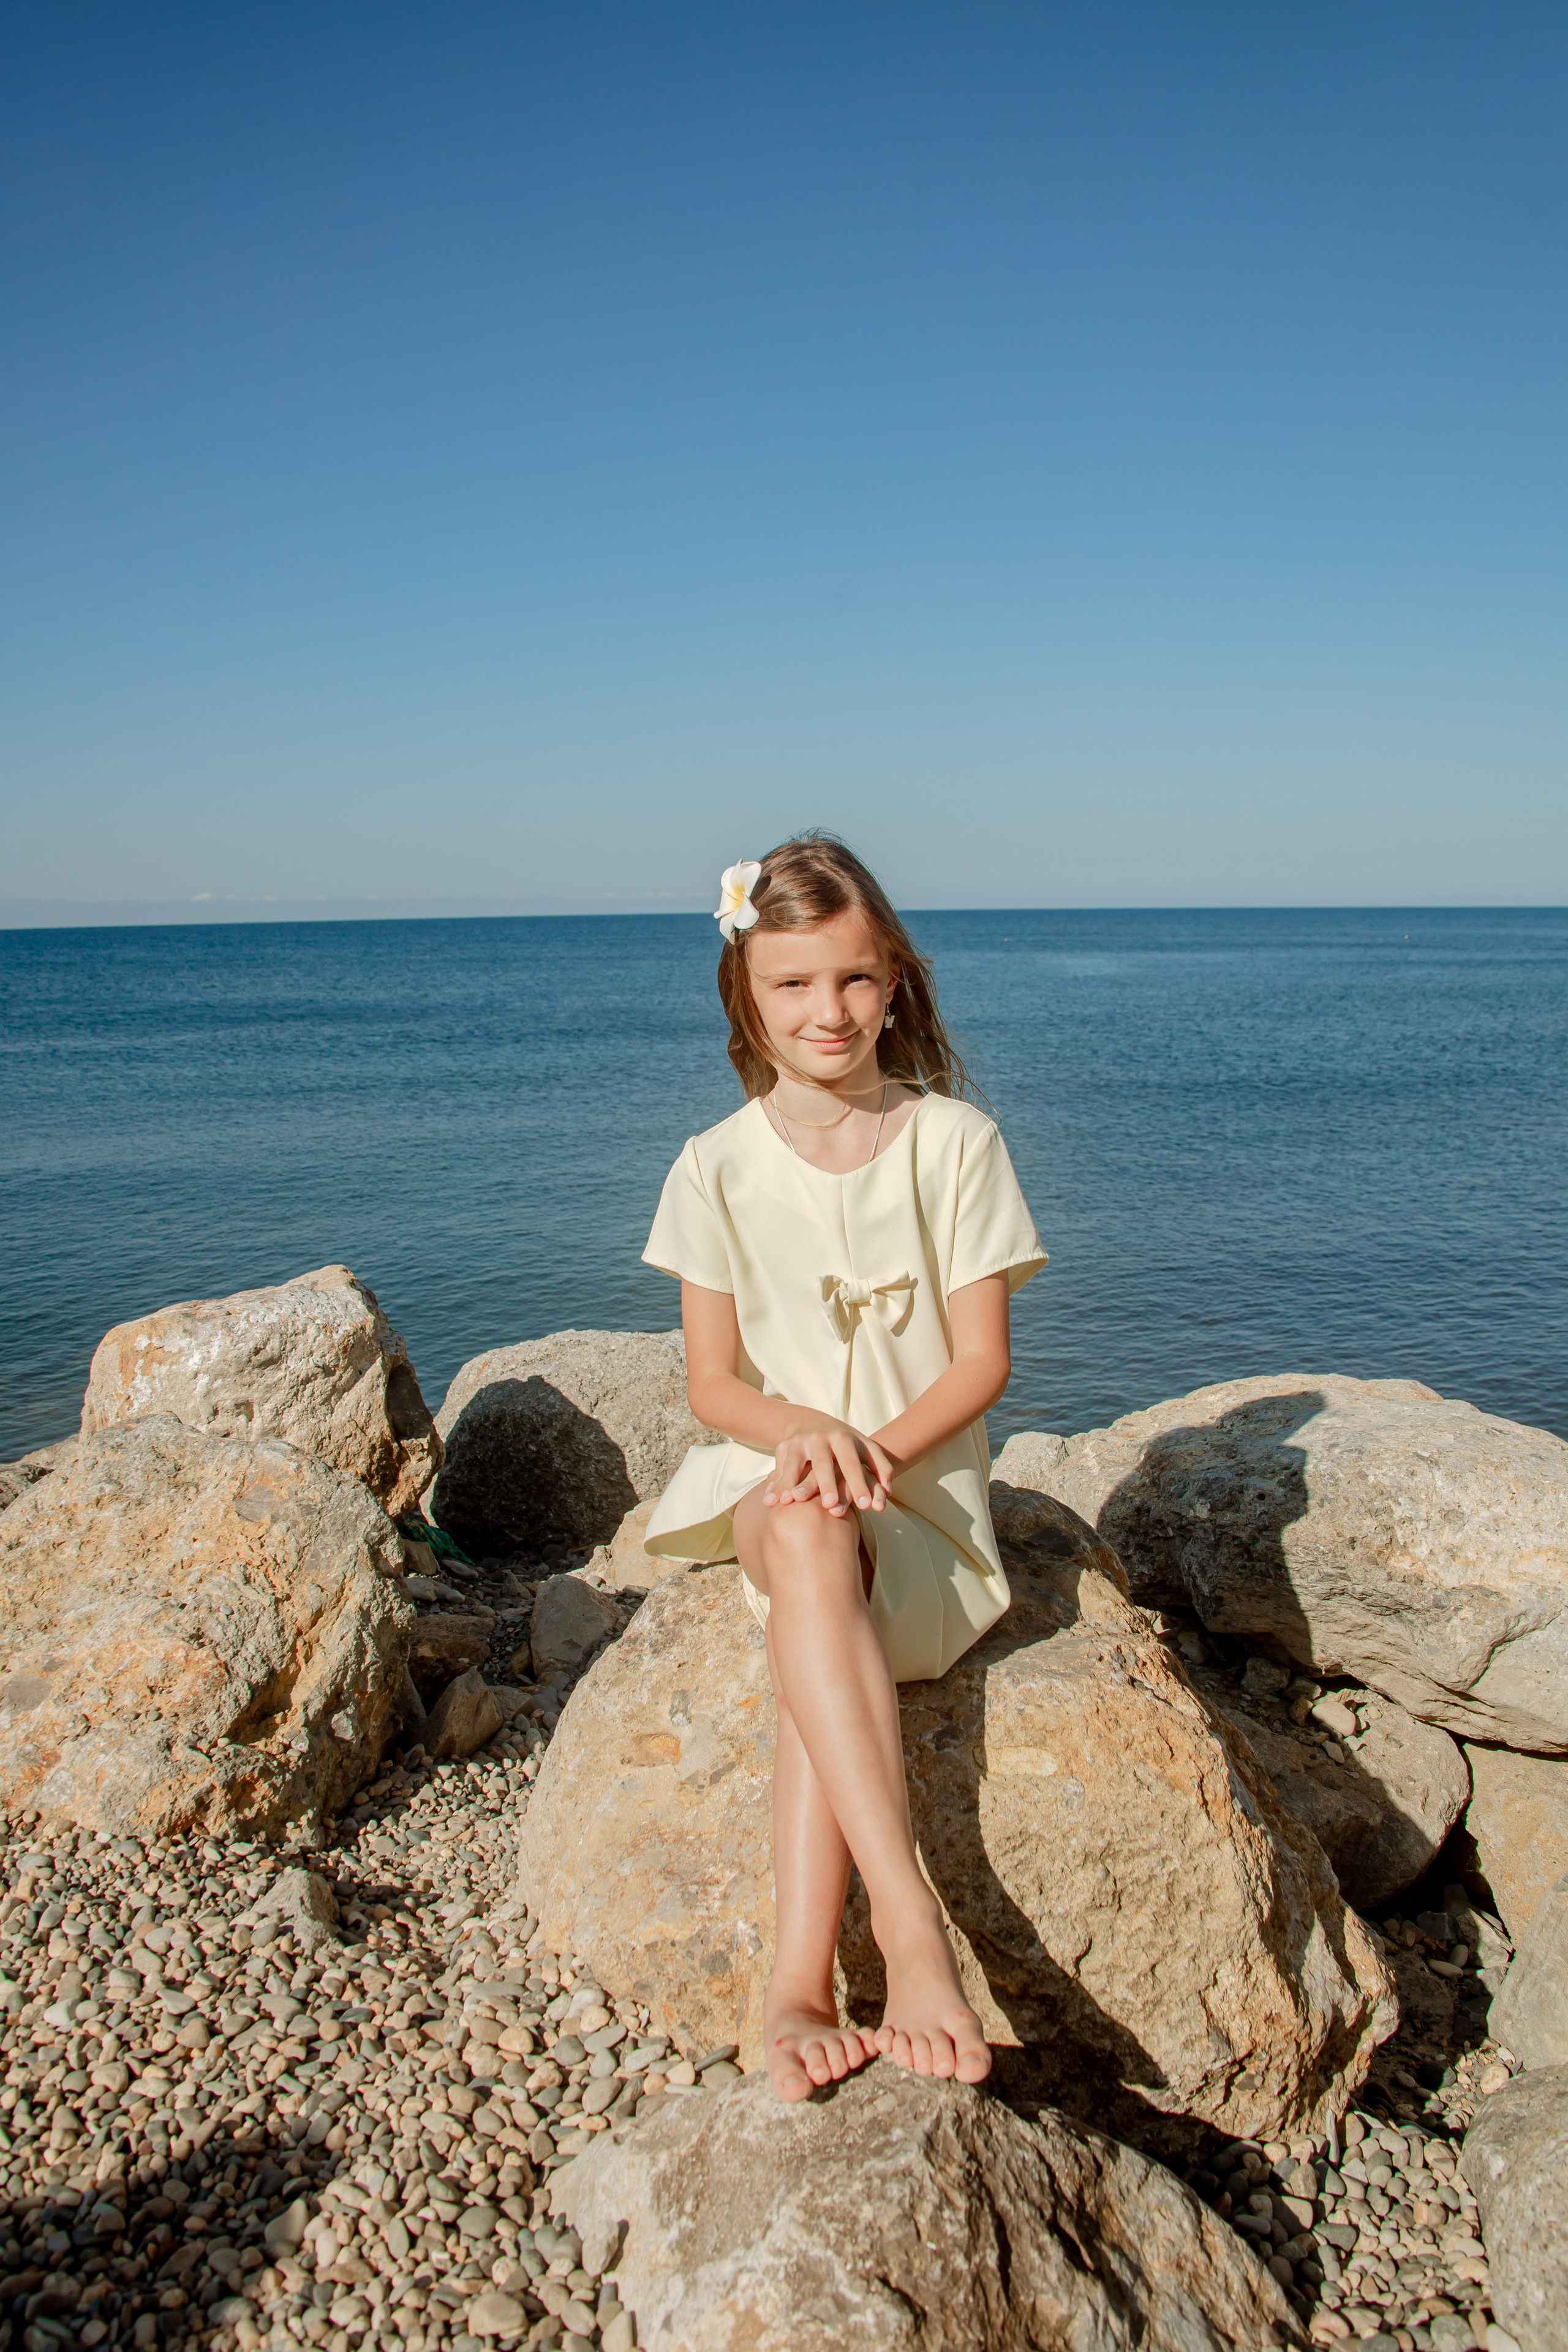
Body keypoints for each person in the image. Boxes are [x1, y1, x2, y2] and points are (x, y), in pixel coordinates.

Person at [641, 834, 1046, 2101]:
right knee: (807, 1534)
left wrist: (863, 1450)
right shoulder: (713, 1165)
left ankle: (799, 1985)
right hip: (773, 1490)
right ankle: (910, 1934)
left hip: (918, 1504)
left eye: (856, 981)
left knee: (821, 1642)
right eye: (792, 986)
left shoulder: (952, 1142)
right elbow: (714, 1387)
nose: (828, 1012)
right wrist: (801, 1440)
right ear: (744, 998)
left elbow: (978, 1364)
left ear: (895, 984)